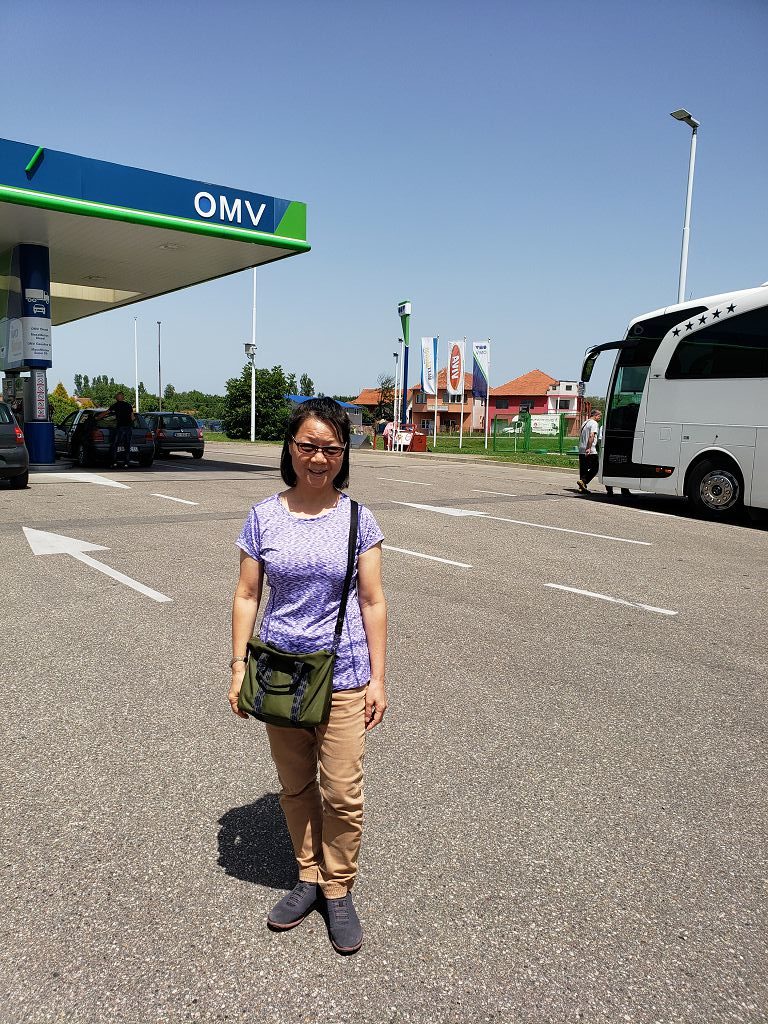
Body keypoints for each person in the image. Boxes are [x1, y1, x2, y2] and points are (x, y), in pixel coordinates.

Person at [229, 397, 388, 955]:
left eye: (331, 449)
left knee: (342, 791)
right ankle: (309, 875)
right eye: (308, 446)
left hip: (343, 673)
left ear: (343, 455)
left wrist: (378, 678)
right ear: (291, 449)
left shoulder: (358, 519)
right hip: (279, 674)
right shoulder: (263, 517)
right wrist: (238, 666)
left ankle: (338, 888)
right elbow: (247, 595)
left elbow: (372, 601)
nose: (318, 458)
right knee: (296, 785)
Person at [100, 392, 134, 467]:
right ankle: (126, 463)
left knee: (115, 445)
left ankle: (114, 462)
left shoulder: (115, 405)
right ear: (123, 397)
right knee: (127, 445)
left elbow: (106, 412)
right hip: (128, 428)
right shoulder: (129, 405)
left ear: (117, 398)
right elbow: (132, 417)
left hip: (120, 427)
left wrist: (98, 417)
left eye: (117, 396)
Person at [577, 409, 602, 493]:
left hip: (581, 448)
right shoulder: (594, 423)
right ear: (595, 415)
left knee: (583, 469)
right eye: (599, 416)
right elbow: (591, 435)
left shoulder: (585, 422)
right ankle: (583, 481)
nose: (600, 418)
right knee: (595, 468)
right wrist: (589, 447)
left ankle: (582, 488)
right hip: (590, 449)